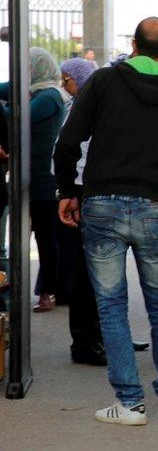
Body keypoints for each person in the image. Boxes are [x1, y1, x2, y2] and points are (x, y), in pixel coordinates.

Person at [54, 16, 158, 425]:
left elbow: (68, 141)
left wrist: (67, 191)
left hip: (101, 206)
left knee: (111, 307)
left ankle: (129, 403)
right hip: (153, 207)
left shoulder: (103, 82)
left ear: (132, 45)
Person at [0, 48, 68, 313]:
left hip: (43, 178)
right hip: (23, 175)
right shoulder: (31, 90)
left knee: (44, 237)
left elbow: (18, 118)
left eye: (27, 66)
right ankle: (13, 288)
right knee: (17, 237)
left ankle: (47, 292)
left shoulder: (50, 96)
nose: (24, 71)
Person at [56, 58, 104, 365]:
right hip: (79, 191)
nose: (64, 85)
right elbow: (66, 152)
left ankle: (102, 336)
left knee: (102, 273)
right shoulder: (79, 109)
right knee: (87, 273)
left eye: (68, 80)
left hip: (90, 189)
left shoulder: (93, 107)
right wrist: (69, 192)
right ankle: (85, 343)